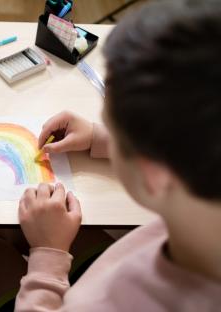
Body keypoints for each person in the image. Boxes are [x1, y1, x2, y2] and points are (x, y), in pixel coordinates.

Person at [15, 1, 221, 311]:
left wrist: (46, 253)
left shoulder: (104, 303)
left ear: (152, 174)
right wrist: (100, 137)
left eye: (116, 130)